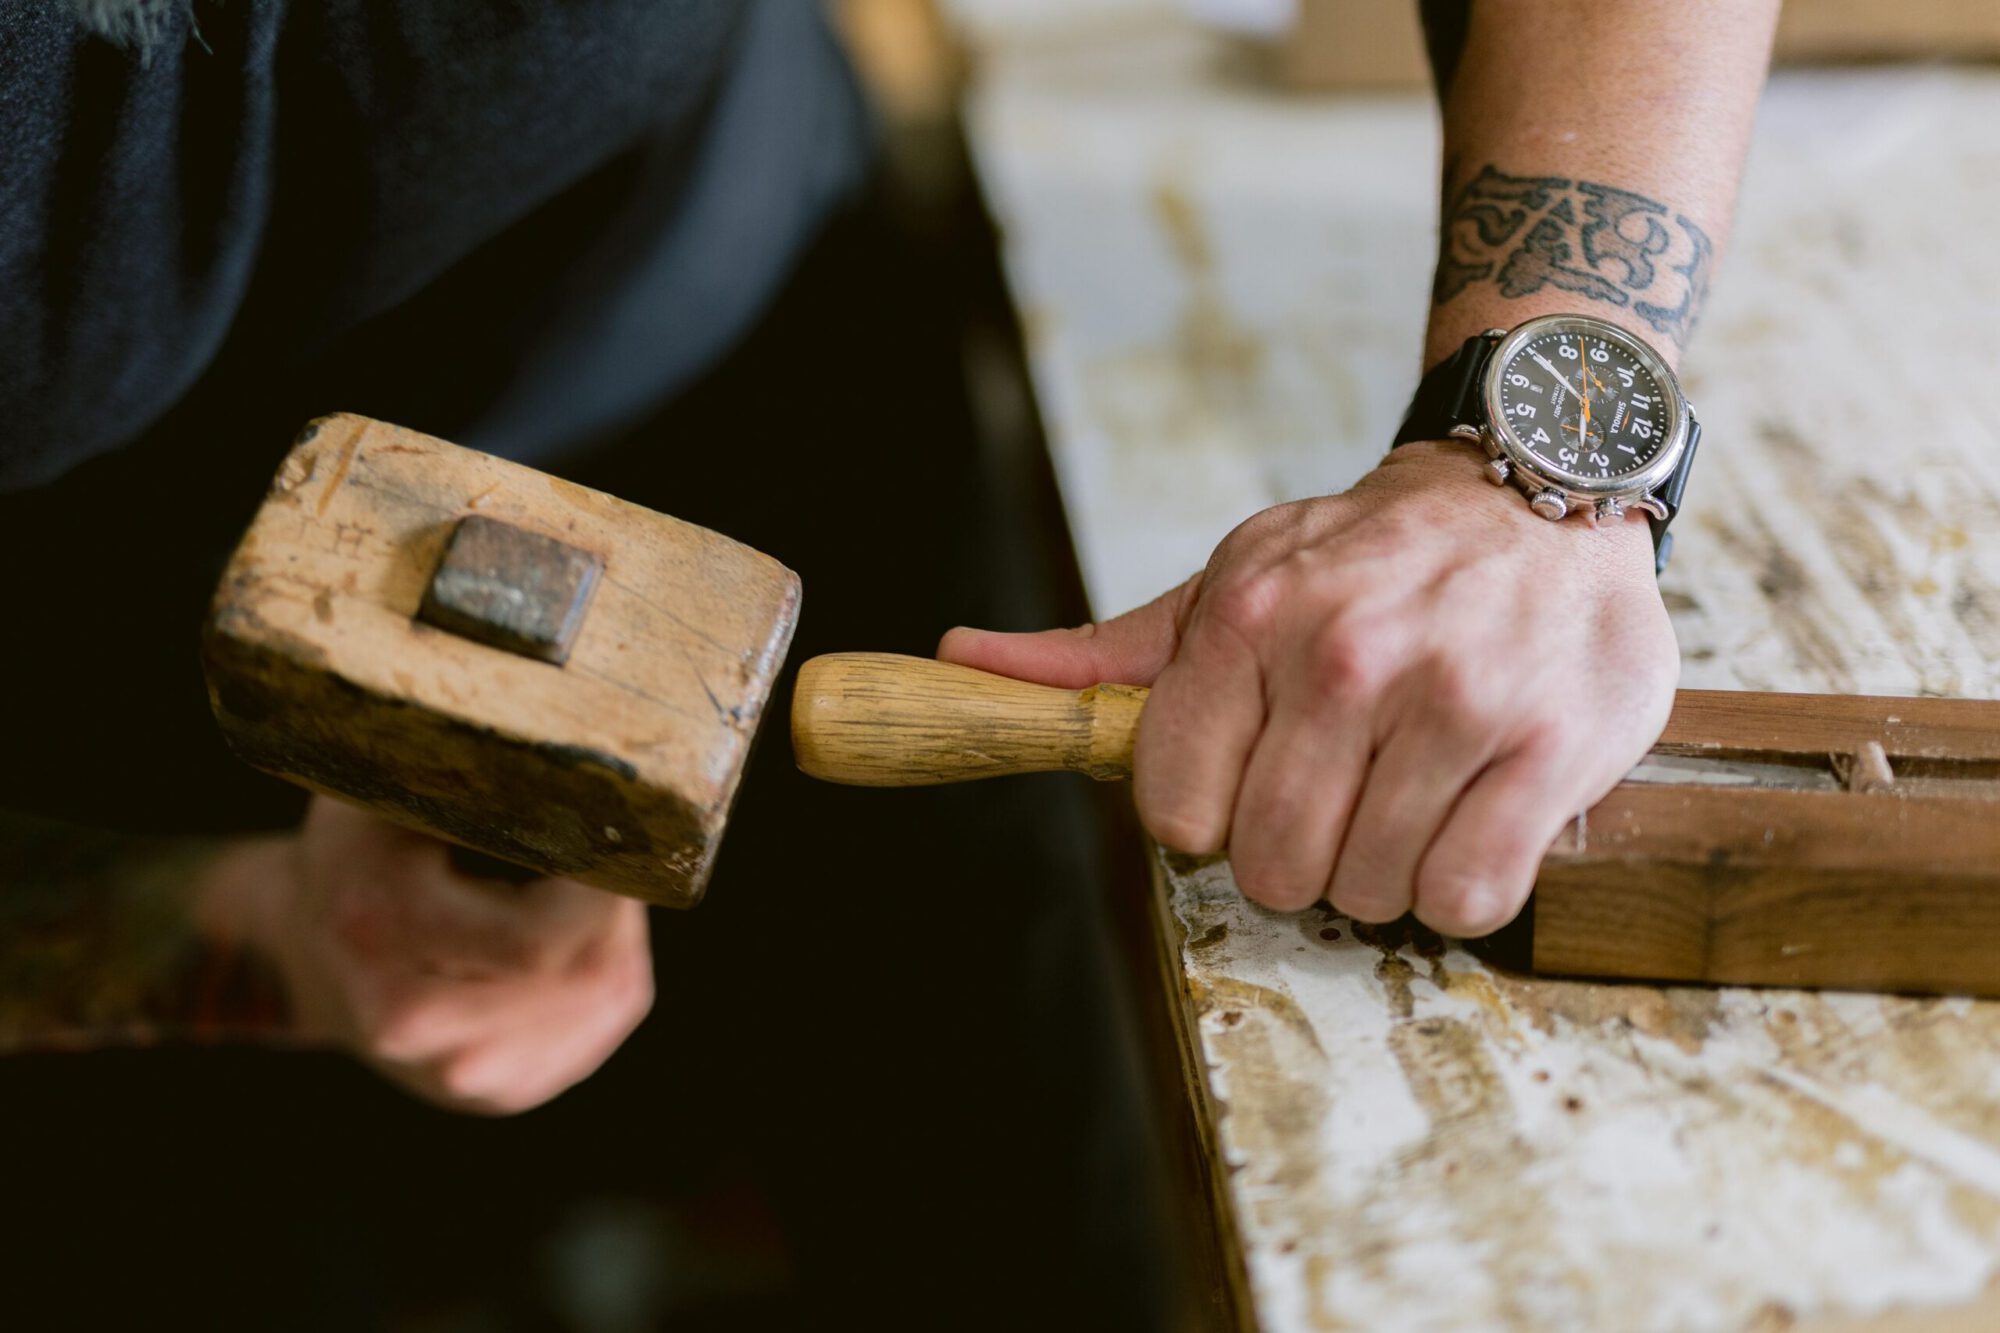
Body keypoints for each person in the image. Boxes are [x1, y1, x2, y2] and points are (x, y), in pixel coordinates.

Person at [0, 0, 1779, 1324]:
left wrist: (1537, 439)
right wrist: (221, 930)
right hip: (92, 742)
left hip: (760, 362)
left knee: (1023, 1227)